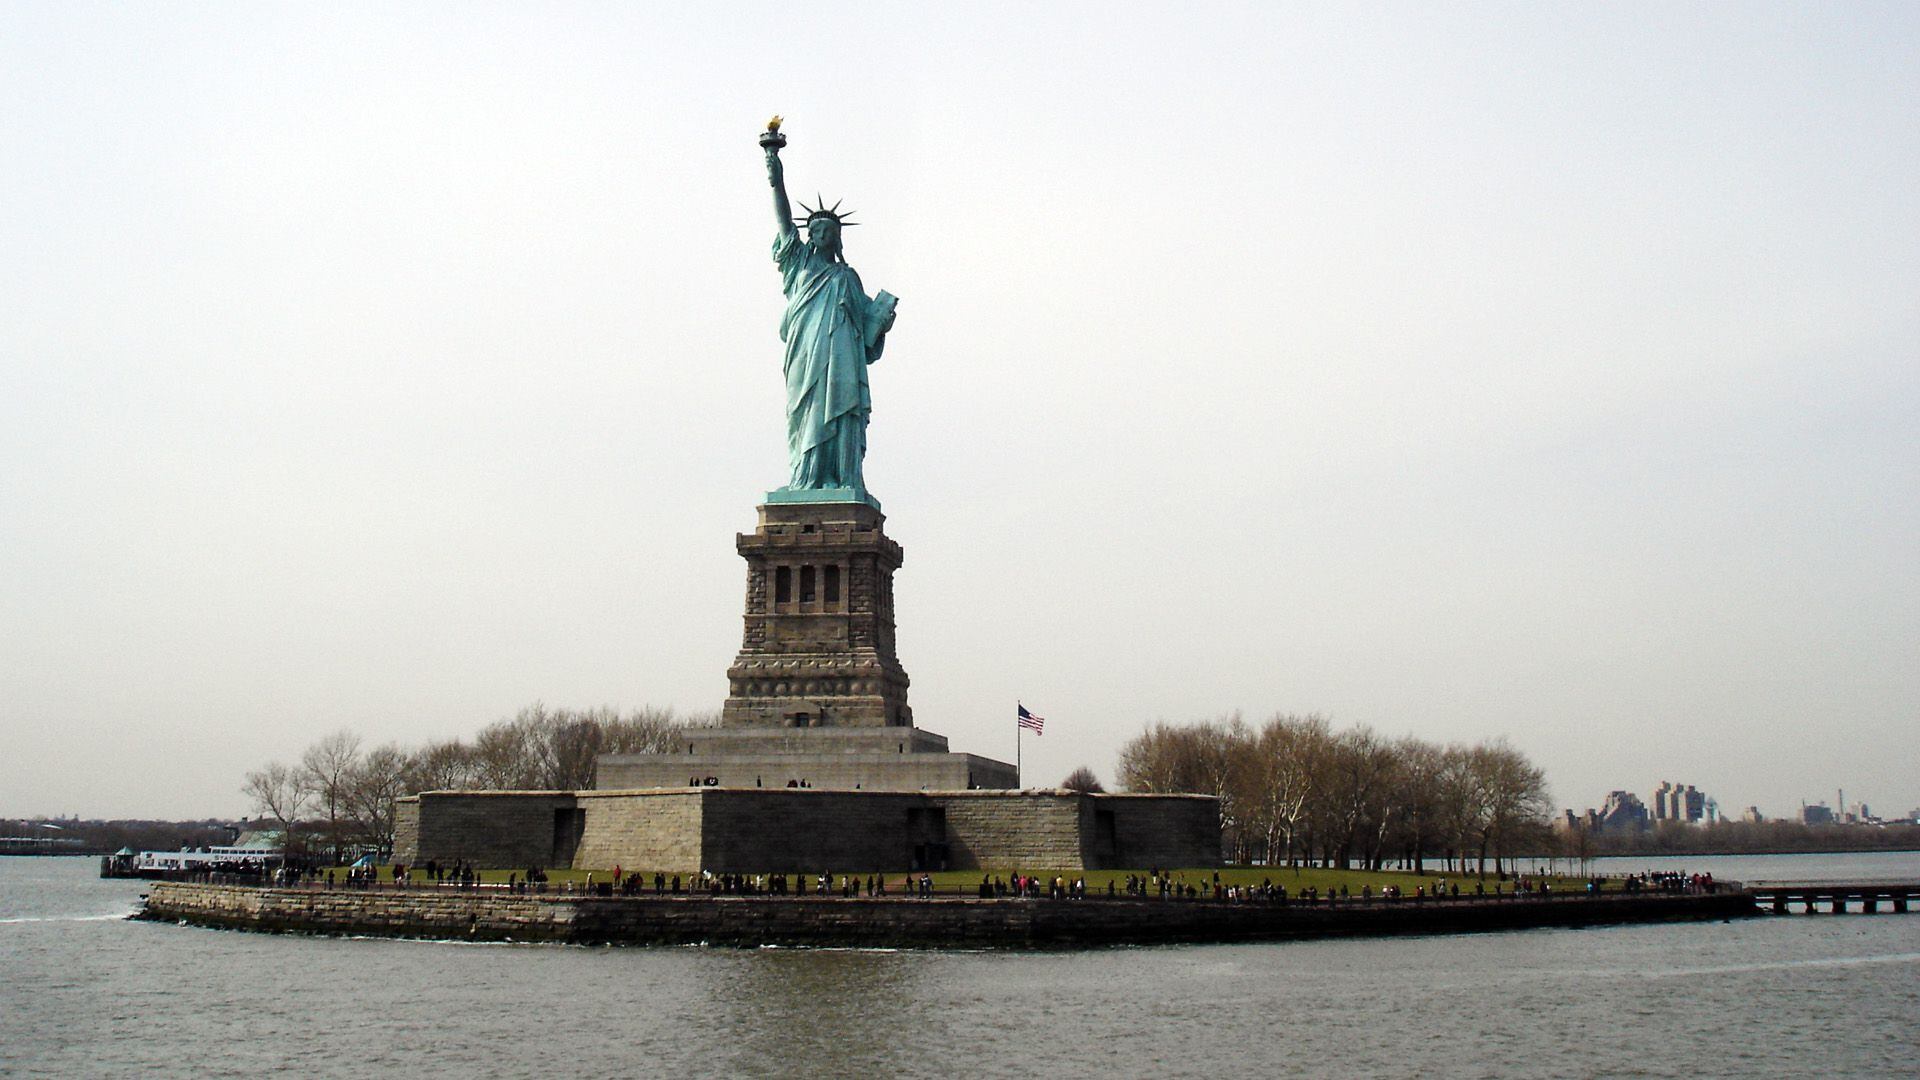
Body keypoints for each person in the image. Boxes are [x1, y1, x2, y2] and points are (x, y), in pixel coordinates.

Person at [762, 133, 897, 497]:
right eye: (815, 228)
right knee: (805, 412)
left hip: (841, 359)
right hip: (806, 354)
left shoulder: (846, 277)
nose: (819, 232)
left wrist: (881, 320)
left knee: (840, 412)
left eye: (827, 230)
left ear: (836, 238)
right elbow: (783, 219)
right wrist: (776, 175)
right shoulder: (799, 263)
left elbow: (868, 334)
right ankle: (805, 478)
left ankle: (841, 478)